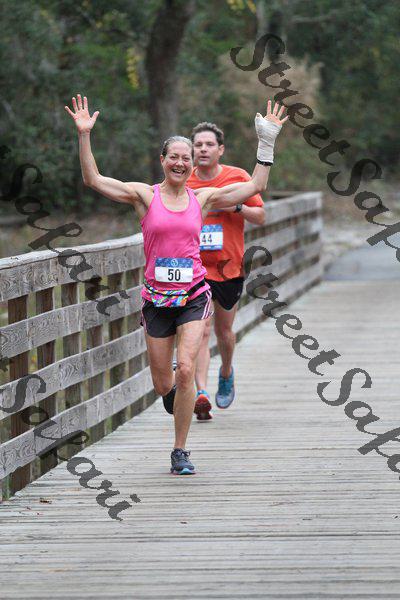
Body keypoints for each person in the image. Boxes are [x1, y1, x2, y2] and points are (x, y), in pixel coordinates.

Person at [65, 95, 287, 475]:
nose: (181, 162)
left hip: (194, 294)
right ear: (163, 160)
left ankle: (180, 450)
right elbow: (94, 180)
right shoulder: (144, 196)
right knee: (163, 383)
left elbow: (255, 185)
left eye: (186, 158)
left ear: (192, 164)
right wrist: (84, 135)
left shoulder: (204, 198)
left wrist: (266, 142)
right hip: (156, 300)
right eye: (174, 157)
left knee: (186, 369)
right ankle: (175, 395)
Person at [188, 122, 266, 420]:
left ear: (220, 149)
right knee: (201, 330)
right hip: (195, 269)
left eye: (209, 145)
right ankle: (201, 393)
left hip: (229, 267)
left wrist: (236, 208)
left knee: (224, 332)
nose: (203, 149)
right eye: (198, 145)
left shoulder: (238, 177)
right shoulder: (183, 180)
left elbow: (260, 216)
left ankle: (226, 371)